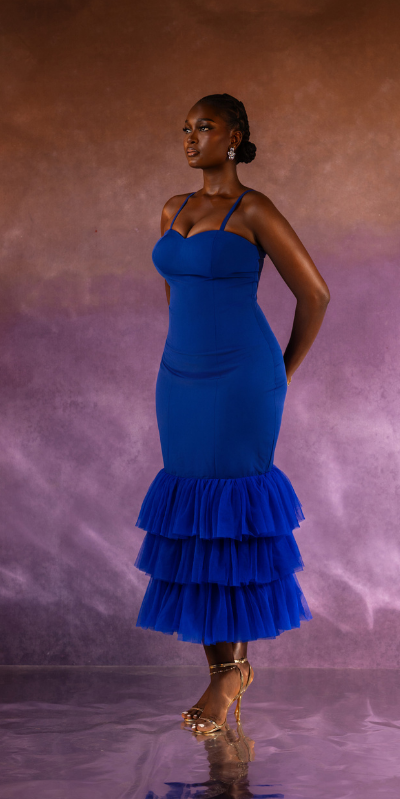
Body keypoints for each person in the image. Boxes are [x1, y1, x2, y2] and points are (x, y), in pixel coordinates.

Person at [134, 93, 330, 735]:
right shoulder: (173, 208)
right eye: (185, 128)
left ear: (236, 136)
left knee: (232, 518)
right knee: (196, 520)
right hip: (180, 380)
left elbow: (315, 294)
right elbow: (176, 295)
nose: (191, 138)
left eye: (205, 126)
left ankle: (229, 677)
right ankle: (228, 673)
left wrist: (281, 372)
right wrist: (183, 356)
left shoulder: (255, 210)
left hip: (242, 379)